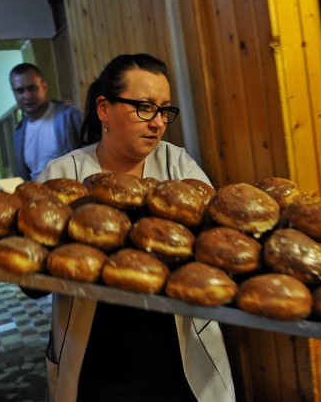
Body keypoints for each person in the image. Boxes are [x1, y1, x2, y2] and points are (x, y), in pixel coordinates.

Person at [38, 54, 236, 401]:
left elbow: (217, 248)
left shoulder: (178, 166)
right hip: (95, 368)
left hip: (179, 365)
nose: (158, 123)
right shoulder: (62, 175)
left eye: (164, 110)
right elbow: (32, 282)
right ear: (104, 109)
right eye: (145, 108)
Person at [10, 62, 83, 180]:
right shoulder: (19, 132)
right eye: (20, 91)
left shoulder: (69, 116)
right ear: (14, 93)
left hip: (73, 194)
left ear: (44, 86)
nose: (27, 96)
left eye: (32, 88)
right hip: (37, 197)